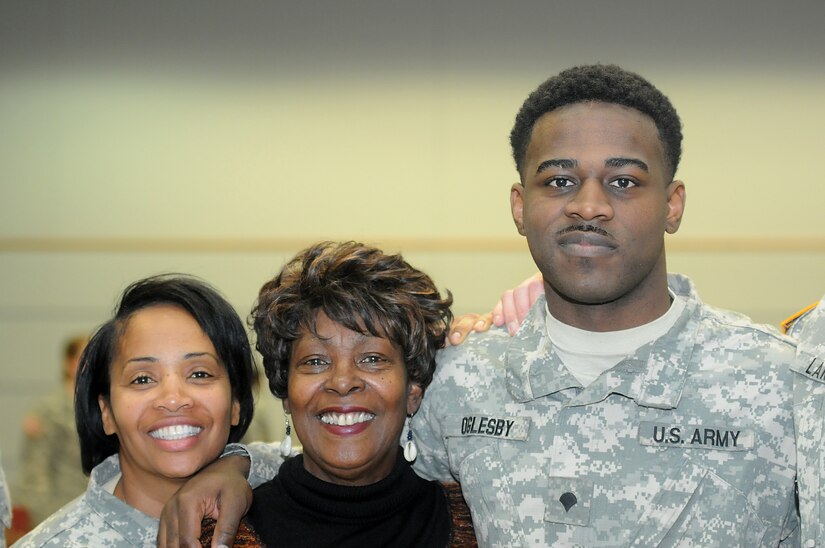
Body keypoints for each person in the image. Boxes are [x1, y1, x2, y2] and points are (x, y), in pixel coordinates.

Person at [159, 65, 824, 547]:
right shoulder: (461, 379)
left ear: (672, 204)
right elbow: (342, 440)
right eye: (558, 180)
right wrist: (236, 465)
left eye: (623, 181)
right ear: (519, 206)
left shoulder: (780, 380)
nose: (588, 205)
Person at [197, 241, 475, 547]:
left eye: (372, 359)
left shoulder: (480, 523)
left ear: (413, 389)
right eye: (315, 361)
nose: (342, 382)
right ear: (285, 390)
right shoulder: (221, 533)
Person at [13, 275, 259, 547]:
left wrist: (240, 462)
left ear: (236, 402)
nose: (174, 399)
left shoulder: (278, 508)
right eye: (142, 379)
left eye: (200, 373)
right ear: (106, 412)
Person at [11, 336, 89, 526]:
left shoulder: (103, 406)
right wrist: (47, 521)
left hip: (94, 505)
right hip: (58, 509)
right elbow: (36, 470)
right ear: (68, 363)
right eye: (83, 358)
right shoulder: (49, 410)